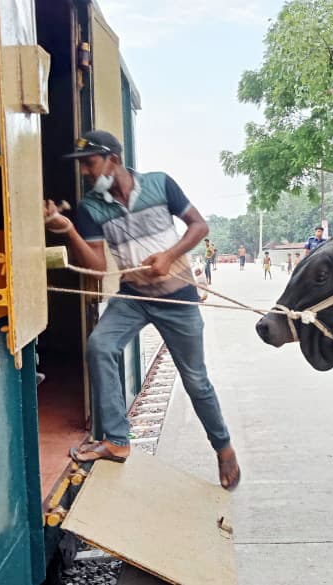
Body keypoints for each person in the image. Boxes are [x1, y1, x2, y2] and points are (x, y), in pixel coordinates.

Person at [43, 130, 240, 490]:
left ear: (113, 160)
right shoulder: (91, 207)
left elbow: (199, 225)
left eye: (90, 163)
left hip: (177, 297)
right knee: (100, 345)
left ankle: (223, 447)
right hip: (133, 296)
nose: (86, 171)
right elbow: (99, 267)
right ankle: (117, 441)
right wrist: (69, 229)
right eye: (83, 166)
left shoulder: (160, 184)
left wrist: (169, 255)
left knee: (196, 381)